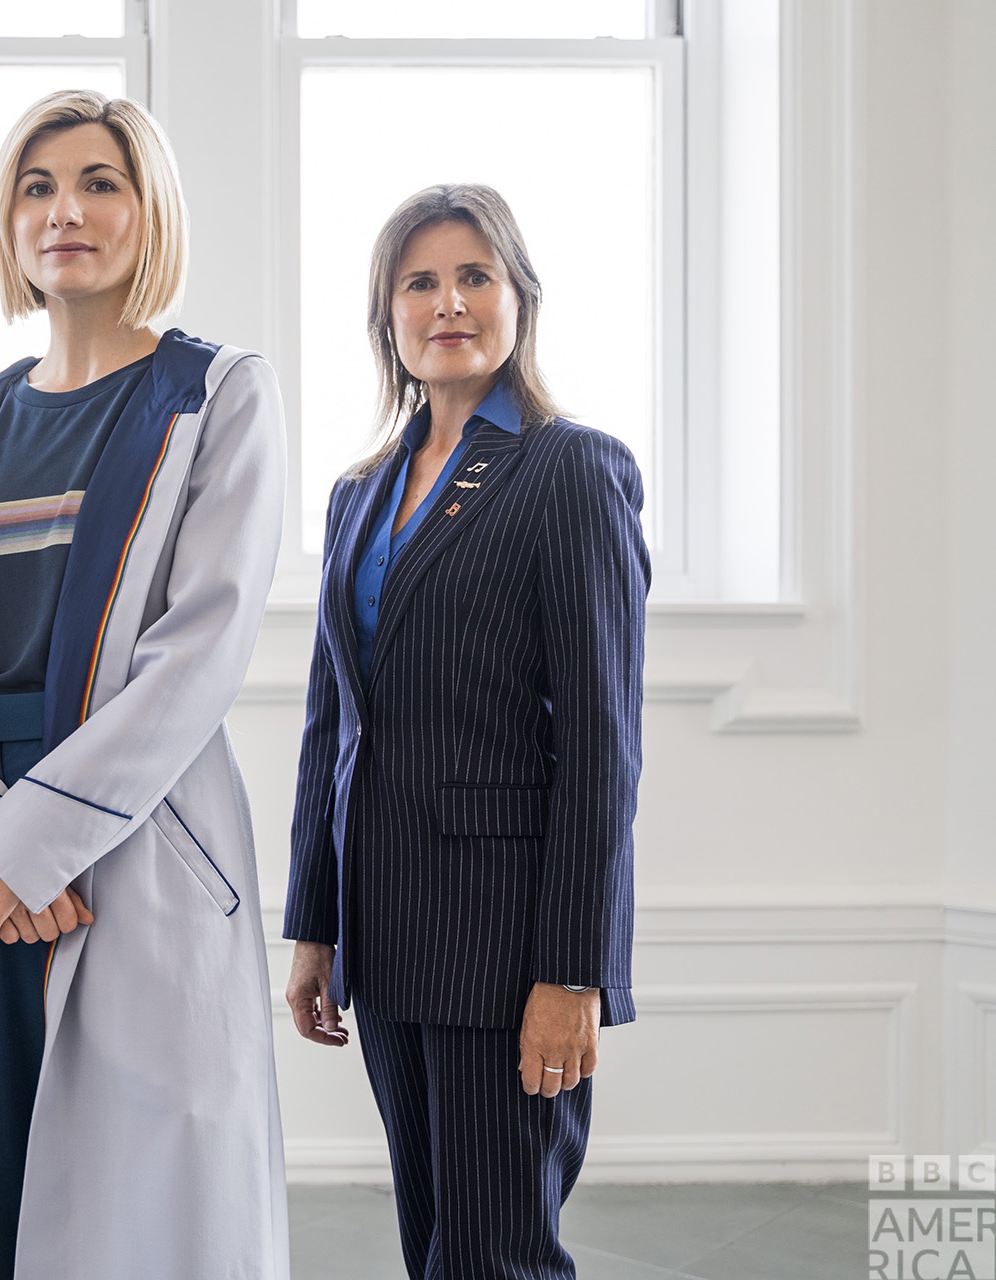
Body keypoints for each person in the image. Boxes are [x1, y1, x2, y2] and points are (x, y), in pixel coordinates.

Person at [0, 89, 289, 1280]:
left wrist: (33, 844)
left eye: (101, 181)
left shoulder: (214, 393)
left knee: (143, 1206)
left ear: (147, 207)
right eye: (38, 185)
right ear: (8, 221)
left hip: (137, 833)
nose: (68, 209)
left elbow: (201, 645)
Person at [283, 183, 648, 1279]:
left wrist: (572, 972)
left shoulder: (569, 468)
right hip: (386, 934)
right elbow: (330, 725)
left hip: (507, 943)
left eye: (474, 276)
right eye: (422, 281)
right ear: (388, 316)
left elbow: (602, 746)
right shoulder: (360, 494)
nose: (450, 302)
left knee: (496, 1255)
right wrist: (315, 920)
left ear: (519, 299)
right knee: (432, 1242)